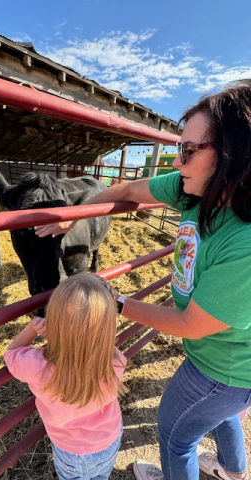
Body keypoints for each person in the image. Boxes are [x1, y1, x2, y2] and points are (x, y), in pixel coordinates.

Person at [34, 80, 251, 480]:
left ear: (233, 156)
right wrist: (75, 215)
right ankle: (233, 469)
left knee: (175, 436)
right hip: (219, 354)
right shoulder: (195, 192)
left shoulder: (245, 242)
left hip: (226, 365)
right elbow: (131, 188)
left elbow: (191, 324)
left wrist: (114, 302)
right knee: (222, 413)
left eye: (187, 151)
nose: (176, 163)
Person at [4, 273, 127, 480]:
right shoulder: (114, 362)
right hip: (109, 441)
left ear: (54, 320)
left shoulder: (38, 365)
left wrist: (32, 329)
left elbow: (11, 355)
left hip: (70, 451)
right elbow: (104, 344)